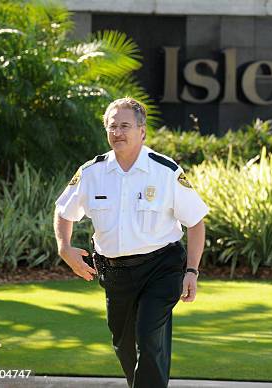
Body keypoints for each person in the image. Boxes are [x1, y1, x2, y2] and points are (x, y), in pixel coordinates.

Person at [53, 97, 208, 388]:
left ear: (142, 131)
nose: (118, 132)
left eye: (125, 126)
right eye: (113, 126)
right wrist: (65, 247)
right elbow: (64, 211)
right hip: (115, 273)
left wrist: (192, 271)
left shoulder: (165, 171)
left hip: (161, 268)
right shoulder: (91, 173)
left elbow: (196, 222)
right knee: (125, 348)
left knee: (149, 337)